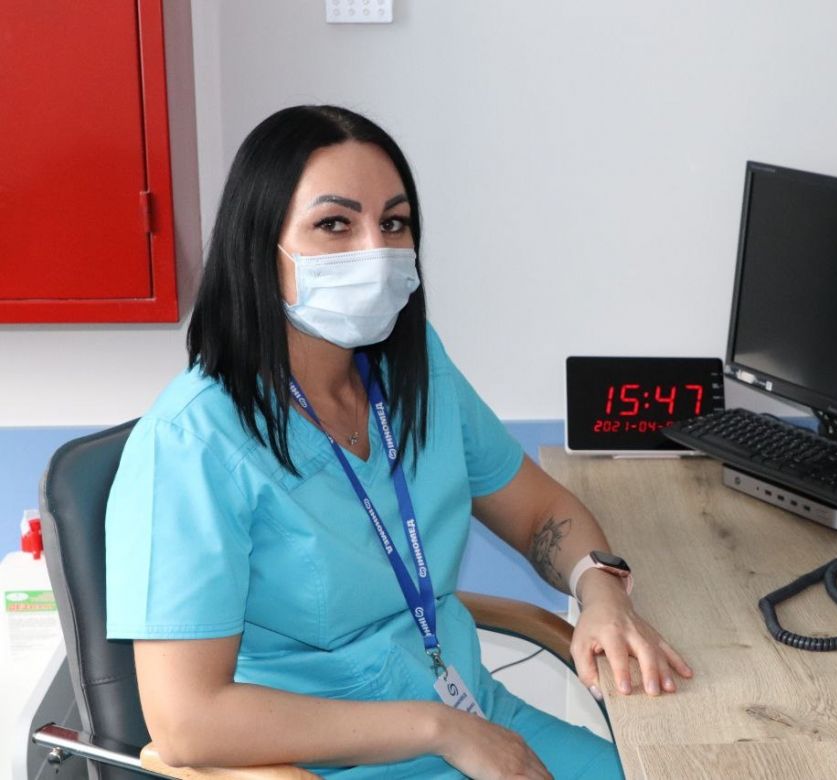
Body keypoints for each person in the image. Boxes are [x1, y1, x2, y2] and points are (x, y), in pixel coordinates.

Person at [104, 105, 692, 779]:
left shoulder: (412, 373)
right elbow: (188, 723)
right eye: (335, 224)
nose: (375, 251)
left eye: (394, 223)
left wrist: (601, 592)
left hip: (476, 718)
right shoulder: (191, 444)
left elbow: (541, 512)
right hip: (324, 762)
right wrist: (439, 729)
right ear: (258, 245)